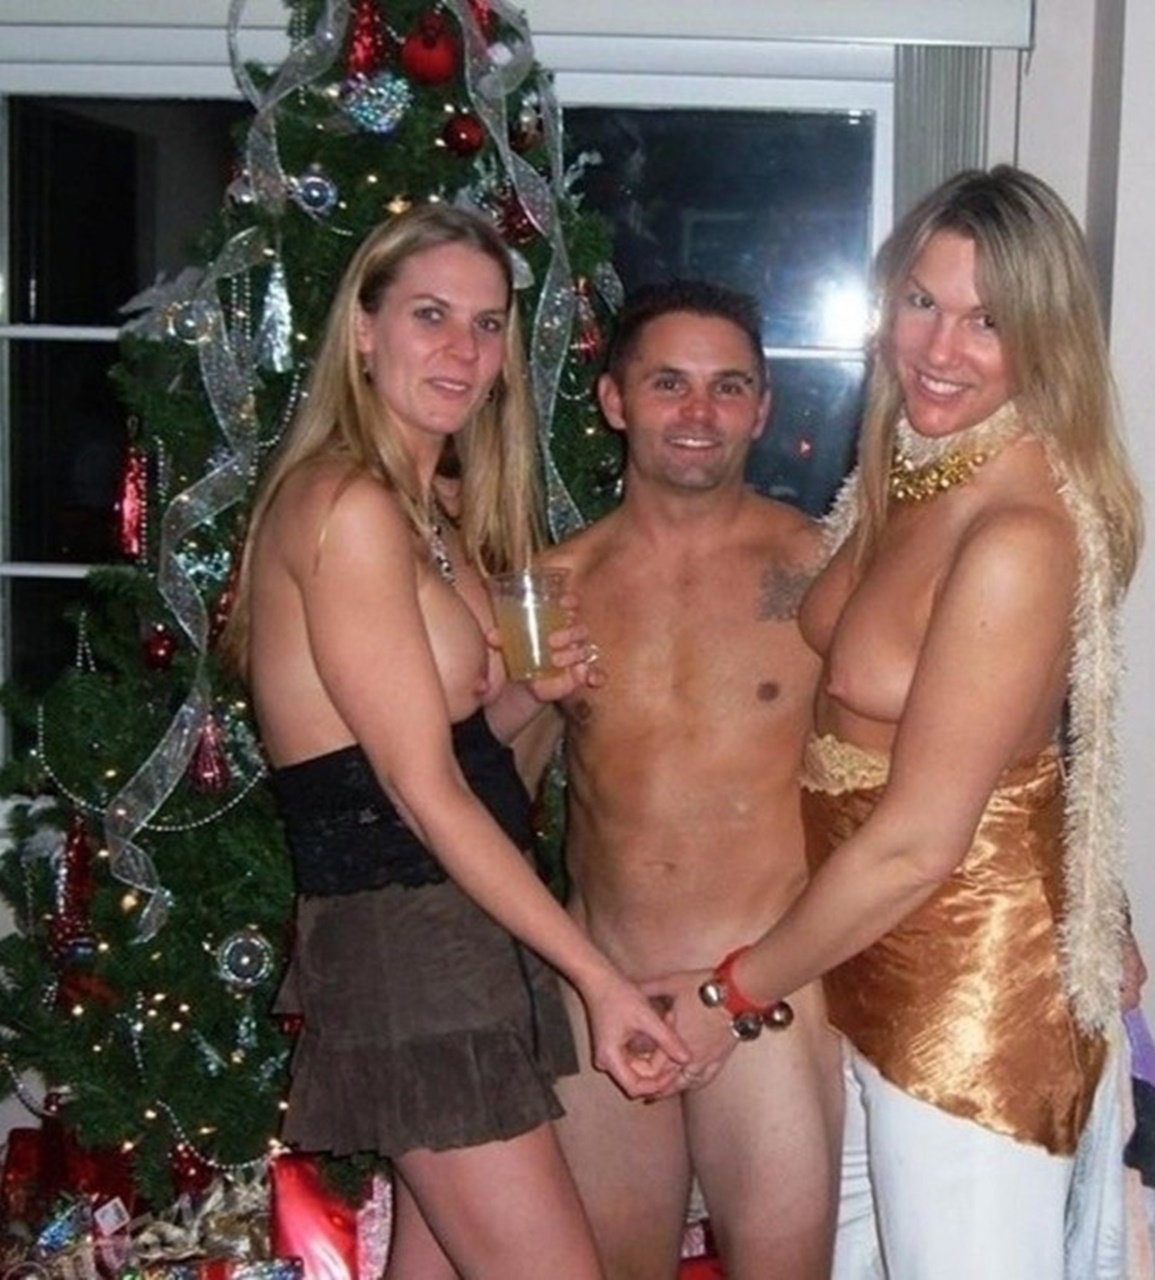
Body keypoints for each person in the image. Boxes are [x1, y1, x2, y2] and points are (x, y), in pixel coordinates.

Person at [641, 165, 1148, 1278]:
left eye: (987, 319)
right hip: (860, 965)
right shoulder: (918, 462)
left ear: (1046, 336)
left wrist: (735, 993)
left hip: (968, 994)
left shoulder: (1018, 532)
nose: (938, 348)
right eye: (921, 300)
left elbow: (920, 839)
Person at [223, 202, 688, 1280]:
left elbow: (463, 751)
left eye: (486, 325)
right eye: (429, 315)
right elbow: (418, 789)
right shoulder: (343, 506)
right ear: (363, 331)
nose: (462, 350)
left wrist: (531, 696)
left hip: (459, 926)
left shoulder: (430, 508)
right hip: (403, 934)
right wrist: (598, 978)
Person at [540, 279, 845, 1280]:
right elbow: (482, 791)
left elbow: (942, 745)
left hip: (763, 993)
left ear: (761, 408)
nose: (699, 412)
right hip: (606, 990)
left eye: (729, 386)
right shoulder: (553, 586)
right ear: (615, 399)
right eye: (668, 382)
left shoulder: (819, 569)